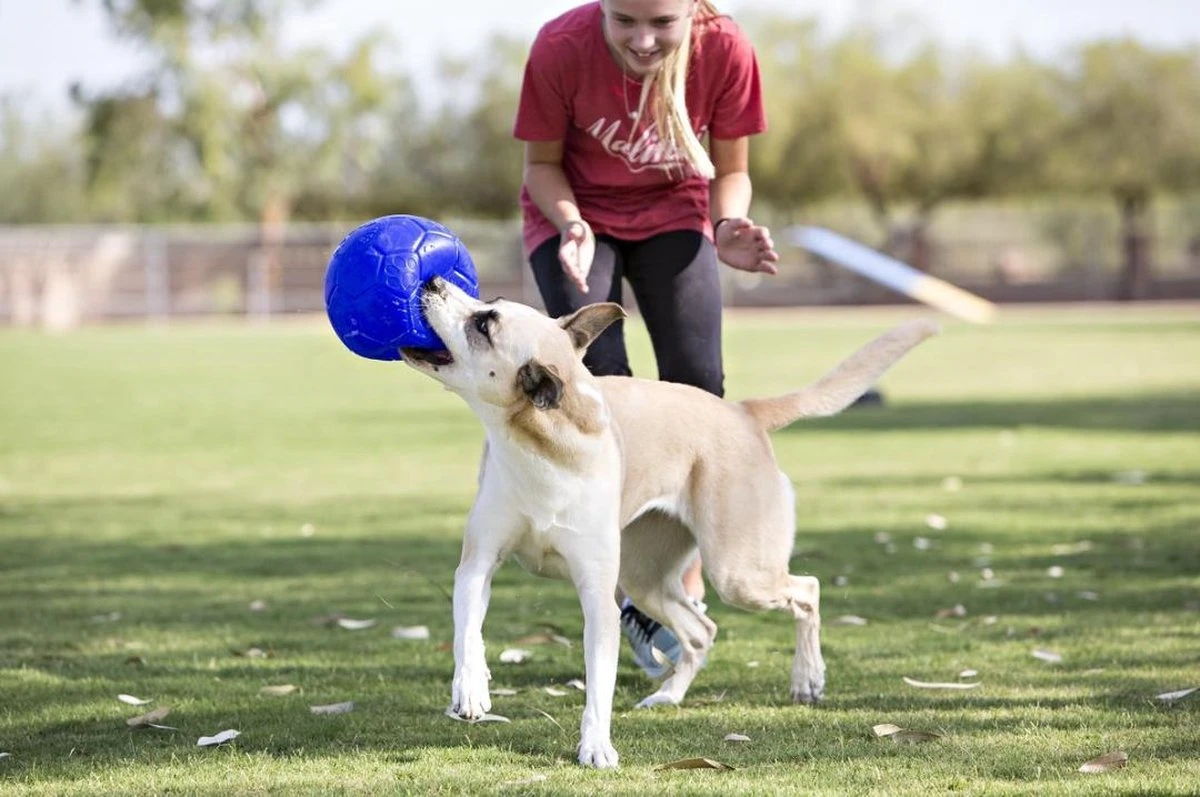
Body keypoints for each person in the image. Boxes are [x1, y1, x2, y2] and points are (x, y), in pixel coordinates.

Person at [512, 0, 779, 678]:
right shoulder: (561, 47)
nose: (642, 40)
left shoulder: (725, 49)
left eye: (662, 23)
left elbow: (732, 169)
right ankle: (625, 589)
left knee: (699, 392)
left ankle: (675, 581)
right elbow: (541, 165)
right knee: (599, 389)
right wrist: (572, 225)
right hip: (577, 221)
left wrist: (729, 226)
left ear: (692, 11)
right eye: (624, 19)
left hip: (674, 215)